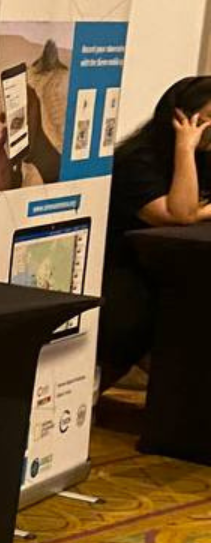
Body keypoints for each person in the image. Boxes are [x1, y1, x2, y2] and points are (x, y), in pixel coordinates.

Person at [98, 75, 211, 393]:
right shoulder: (139, 160)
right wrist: (185, 148)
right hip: (122, 264)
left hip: (167, 264)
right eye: (205, 120)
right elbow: (179, 213)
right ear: (181, 119)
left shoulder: (207, 157)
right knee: (141, 317)